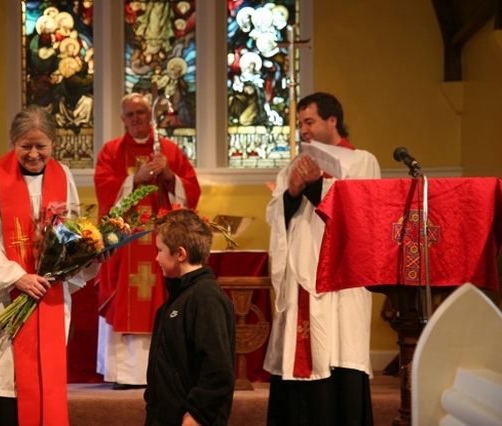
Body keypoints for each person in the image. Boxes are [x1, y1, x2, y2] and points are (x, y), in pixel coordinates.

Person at [0, 106, 106, 426]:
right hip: (5, 301)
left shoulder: (62, 176)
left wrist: (87, 252)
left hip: (47, 298)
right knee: (6, 387)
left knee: (45, 384)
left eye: (42, 146)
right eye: (26, 146)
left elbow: (67, 231)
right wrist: (16, 276)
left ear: (54, 142)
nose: (34, 154)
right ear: (13, 142)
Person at [264, 92, 380, 425]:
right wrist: (291, 193)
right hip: (302, 282)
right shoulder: (294, 165)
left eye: (310, 122)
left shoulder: (361, 161)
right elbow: (276, 218)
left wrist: (314, 187)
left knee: (338, 355)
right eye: (300, 124)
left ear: (332, 121)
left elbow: (360, 216)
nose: (304, 131)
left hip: (340, 287)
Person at [95, 92, 201, 389]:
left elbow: (191, 191)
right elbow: (105, 194)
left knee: (163, 299)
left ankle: (162, 372)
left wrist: (168, 175)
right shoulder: (111, 151)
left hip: (161, 243)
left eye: (141, 113)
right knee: (126, 298)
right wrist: (136, 179)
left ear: (149, 116)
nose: (136, 119)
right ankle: (126, 374)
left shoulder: (168, 150)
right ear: (122, 119)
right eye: (130, 114)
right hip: (126, 243)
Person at [145, 208, 236, 425]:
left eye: (160, 250)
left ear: (180, 254)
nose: (156, 257)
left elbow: (218, 370)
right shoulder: (174, 301)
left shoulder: (206, 298)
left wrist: (196, 414)